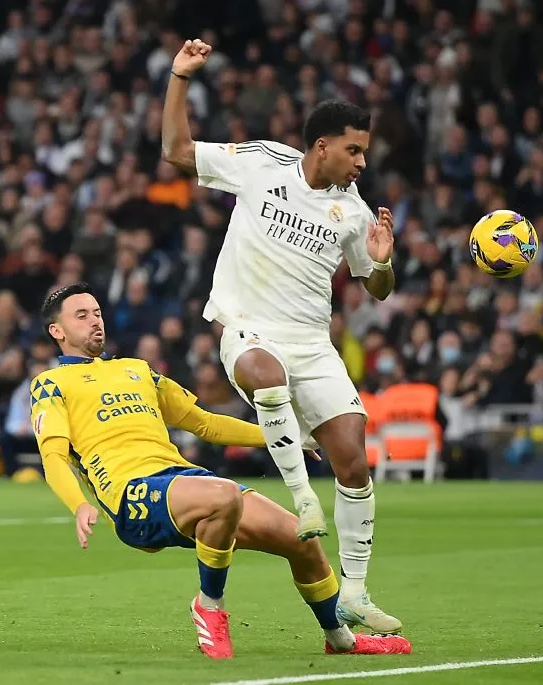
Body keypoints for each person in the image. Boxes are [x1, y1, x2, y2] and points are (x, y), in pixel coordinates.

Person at [31, 283, 411, 660]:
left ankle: (340, 638)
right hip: (132, 496)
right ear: (57, 331)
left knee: (302, 538)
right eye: (81, 316)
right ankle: (210, 605)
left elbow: (204, 423)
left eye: (96, 313)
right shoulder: (50, 384)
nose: (94, 322)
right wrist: (78, 504)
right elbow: (52, 455)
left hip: (183, 480)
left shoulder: (137, 370)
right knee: (224, 494)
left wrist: (283, 437)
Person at [161, 38, 401, 634]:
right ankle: (302, 499)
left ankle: (355, 593)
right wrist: (180, 78)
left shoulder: (354, 211)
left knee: (353, 456)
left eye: (364, 152)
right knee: (266, 374)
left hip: (312, 343)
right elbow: (175, 151)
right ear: (322, 145)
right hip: (247, 328)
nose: (361, 162)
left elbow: (378, 289)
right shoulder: (263, 161)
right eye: (354, 150)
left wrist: (383, 260)